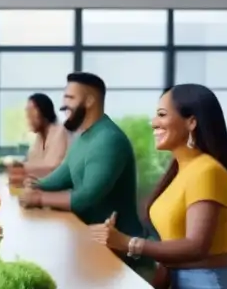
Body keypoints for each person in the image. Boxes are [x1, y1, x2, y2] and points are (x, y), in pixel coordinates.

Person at [88, 85, 227, 289]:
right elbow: (169, 246)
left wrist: (129, 243)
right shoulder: (181, 171)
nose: (153, 122)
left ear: (191, 122)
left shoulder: (207, 172)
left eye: (162, 114)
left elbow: (196, 246)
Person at [19, 73, 143, 241]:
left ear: (90, 101)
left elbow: (87, 197)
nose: (63, 105)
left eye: (70, 98)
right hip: (87, 236)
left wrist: (40, 198)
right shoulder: (82, 138)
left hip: (117, 247)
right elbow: (63, 175)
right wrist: (37, 184)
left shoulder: (109, 139)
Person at [7, 93, 69, 185]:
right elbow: (32, 162)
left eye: (32, 112)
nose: (29, 118)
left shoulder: (60, 132)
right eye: (27, 113)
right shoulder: (39, 137)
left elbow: (52, 168)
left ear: (44, 112)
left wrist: (22, 168)